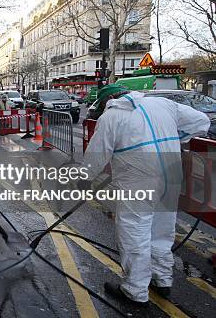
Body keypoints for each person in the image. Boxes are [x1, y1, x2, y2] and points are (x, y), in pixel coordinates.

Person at [83, 84, 209, 306]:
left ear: (111, 98)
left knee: (135, 233)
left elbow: (96, 156)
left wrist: (83, 180)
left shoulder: (111, 117)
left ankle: (135, 290)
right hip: (170, 179)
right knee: (162, 231)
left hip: (138, 184)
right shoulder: (163, 104)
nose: (104, 109)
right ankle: (162, 280)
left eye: (103, 105)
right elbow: (201, 122)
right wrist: (175, 137)